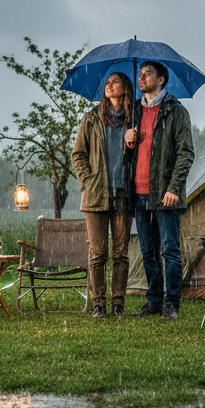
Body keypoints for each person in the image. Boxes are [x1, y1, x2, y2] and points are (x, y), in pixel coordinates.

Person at [125, 61, 195, 320]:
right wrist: (128, 142)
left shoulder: (176, 111)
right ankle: (153, 302)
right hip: (139, 193)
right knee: (148, 252)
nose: (141, 78)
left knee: (169, 250)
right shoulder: (134, 111)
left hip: (166, 194)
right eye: (140, 74)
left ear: (161, 80)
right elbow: (130, 155)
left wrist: (174, 187)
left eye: (148, 74)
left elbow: (186, 153)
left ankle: (172, 304)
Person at [71, 72, 134, 318]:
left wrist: (133, 141)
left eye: (114, 81)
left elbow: (138, 158)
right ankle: (99, 303)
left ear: (125, 88)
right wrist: (88, 182)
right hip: (96, 195)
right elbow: (78, 154)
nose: (109, 85)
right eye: (107, 82)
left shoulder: (133, 119)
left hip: (123, 193)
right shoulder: (91, 119)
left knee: (121, 254)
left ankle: (118, 303)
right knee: (98, 253)